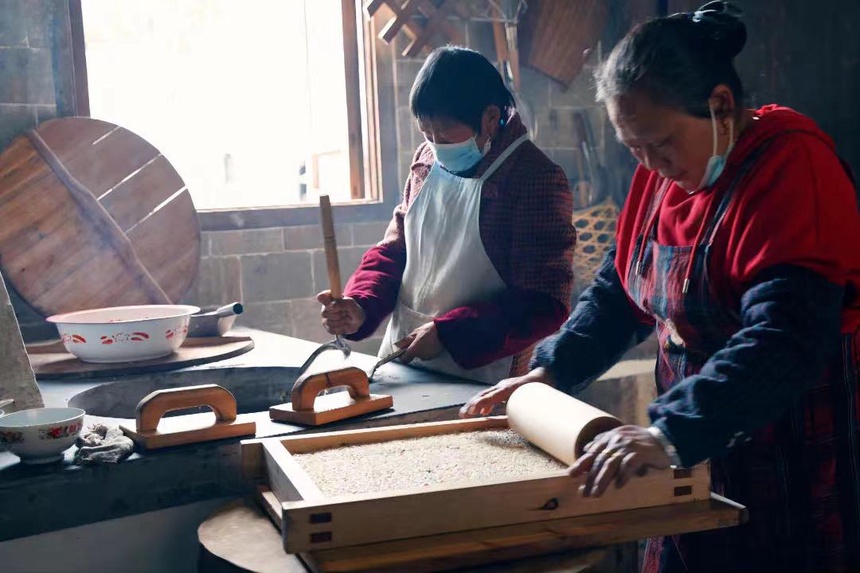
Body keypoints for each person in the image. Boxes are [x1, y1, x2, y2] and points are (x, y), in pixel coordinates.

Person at [461, 2, 860, 571]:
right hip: (689, 446)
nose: (650, 164)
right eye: (634, 148)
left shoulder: (793, 166)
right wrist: (552, 371)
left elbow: (786, 338)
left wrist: (669, 431)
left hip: (787, 443)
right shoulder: (661, 177)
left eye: (662, 143)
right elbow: (618, 292)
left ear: (720, 106)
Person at [317, 46, 576, 383]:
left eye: (445, 134)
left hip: (481, 374)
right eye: (427, 134)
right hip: (401, 359)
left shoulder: (534, 178)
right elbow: (396, 250)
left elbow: (544, 302)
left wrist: (449, 333)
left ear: (489, 118)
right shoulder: (427, 159)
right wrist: (360, 305)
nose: (436, 145)